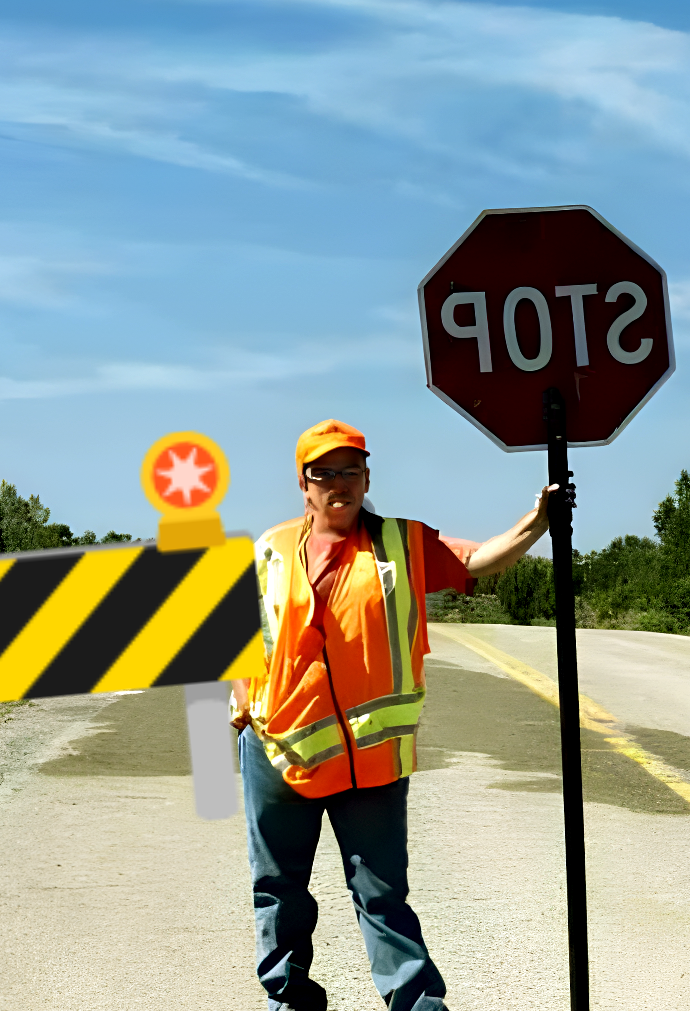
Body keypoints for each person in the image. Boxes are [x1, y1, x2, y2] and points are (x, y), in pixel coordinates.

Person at [230, 419, 552, 1011]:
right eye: (324, 472)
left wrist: (537, 522)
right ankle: (288, 999)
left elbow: (479, 559)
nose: (338, 482)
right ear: (303, 482)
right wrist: (239, 692)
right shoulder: (271, 548)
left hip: (369, 764)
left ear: (367, 477)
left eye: (350, 469)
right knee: (277, 889)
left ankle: (418, 1006)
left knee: (382, 897)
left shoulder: (402, 544)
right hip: (278, 750)